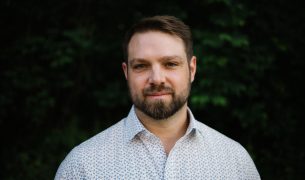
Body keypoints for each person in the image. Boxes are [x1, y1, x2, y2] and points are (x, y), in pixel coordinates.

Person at [55, 15, 260, 179]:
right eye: (141, 66)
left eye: (170, 64)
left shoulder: (235, 162)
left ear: (192, 68)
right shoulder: (82, 166)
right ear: (127, 72)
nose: (156, 79)